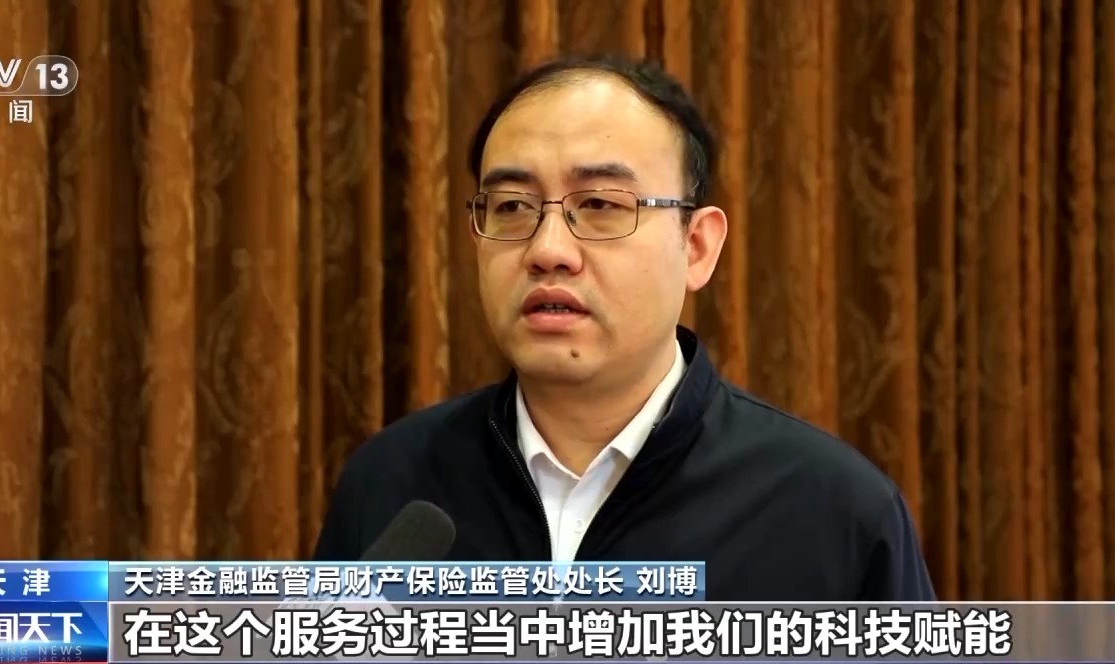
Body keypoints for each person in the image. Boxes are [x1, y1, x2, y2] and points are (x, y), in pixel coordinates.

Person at [313, 54, 935, 601]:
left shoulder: (834, 513)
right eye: (512, 207)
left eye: (601, 206)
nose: (548, 250)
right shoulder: (391, 486)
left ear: (696, 247)